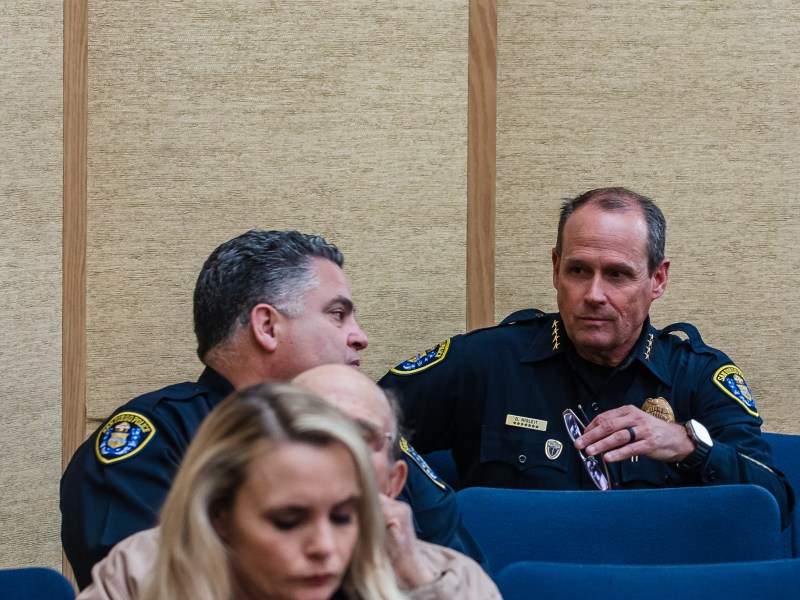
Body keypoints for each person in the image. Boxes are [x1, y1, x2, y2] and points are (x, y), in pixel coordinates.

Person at [61, 229, 475, 589]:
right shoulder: (158, 439)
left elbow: (467, 571)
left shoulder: (371, 437)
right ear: (267, 327)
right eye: (337, 315)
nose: (360, 337)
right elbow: (145, 585)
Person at [378, 187, 794, 526]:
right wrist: (437, 516)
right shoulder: (485, 362)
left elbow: (774, 503)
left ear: (657, 279)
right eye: (578, 270)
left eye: (617, 274)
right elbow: (356, 427)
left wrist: (688, 445)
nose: (594, 294)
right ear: (555, 268)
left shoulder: (698, 377)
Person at [77, 382, 407, 600]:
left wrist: (419, 582)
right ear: (218, 515)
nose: (325, 546)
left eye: (343, 516)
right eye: (288, 521)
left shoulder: (418, 569)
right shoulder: (138, 572)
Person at [293, 364, 498, 598]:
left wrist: (415, 578)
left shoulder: (456, 578)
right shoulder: (256, 556)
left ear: (395, 480)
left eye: (362, 437)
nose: (343, 452)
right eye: (315, 434)